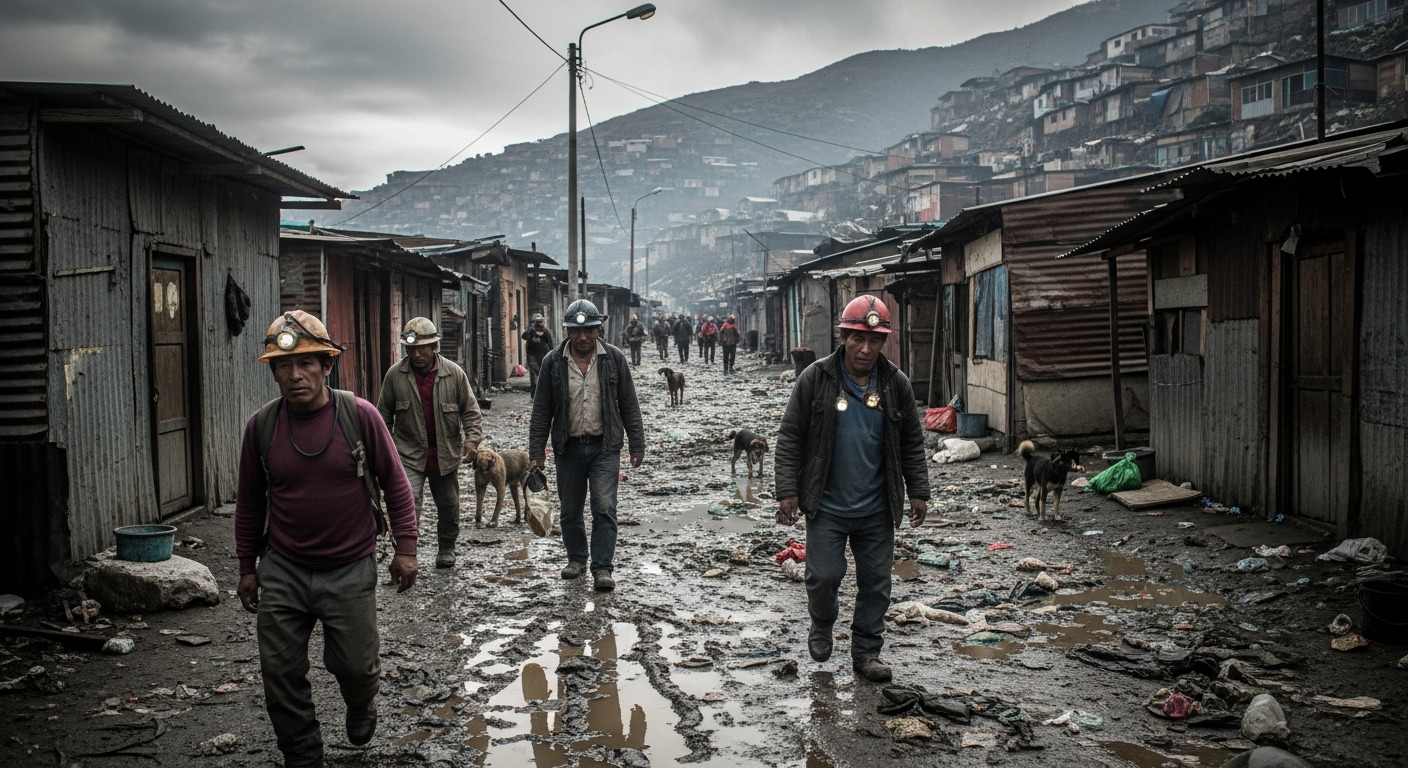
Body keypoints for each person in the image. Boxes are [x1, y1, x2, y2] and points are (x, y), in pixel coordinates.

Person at [235, 310, 420, 767]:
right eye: (284, 366)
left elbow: (395, 483)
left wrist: (407, 548)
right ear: (273, 371)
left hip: (350, 567)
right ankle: (302, 754)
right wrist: (245, 568)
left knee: (356, 666)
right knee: (279, 673)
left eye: (307, 364)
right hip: (283, 567)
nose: (295, 375)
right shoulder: (262, 427)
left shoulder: (360, 416)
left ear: (326, 365)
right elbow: (250, 501)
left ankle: (361, 702)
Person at [774, 296, 929, 684]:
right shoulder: (815, 378)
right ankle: (822, 625)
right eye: (858, 338)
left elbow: (911, 442)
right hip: (826, 503)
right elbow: (791, 436)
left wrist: (918, 492)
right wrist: (787, 491)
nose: (865, 348)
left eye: (874, 341)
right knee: (823, 576)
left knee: (876, 583)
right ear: (843, 337)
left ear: (884, 342)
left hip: (877, 506)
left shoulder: (896, 384)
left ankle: (866, 652)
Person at [529, 299, 646, 592]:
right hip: (567, 448)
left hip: (604, 447)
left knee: (604, 507)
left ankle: (603, 568)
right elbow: (541, 409)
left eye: (589, 331)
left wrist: (637, 444)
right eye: (576, 331)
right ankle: (577, 559)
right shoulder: (552, 361)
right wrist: (536, 452)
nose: (583, 337)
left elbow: (629, 403)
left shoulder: (614, 358)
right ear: (567, 330)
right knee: (570, 509)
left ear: (598, 330)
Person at [377, 317, 482, 569]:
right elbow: (382, 416)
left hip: (445, 454)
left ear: (434, 346)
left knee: (448, 504)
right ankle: (405, 552)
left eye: (421, 348)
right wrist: (385, 451)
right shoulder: (395, 375)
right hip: (408, 454)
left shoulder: (454, 374)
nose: (415, 354)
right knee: (407, 502)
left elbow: (470, 411)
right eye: (410, 349)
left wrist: (472, 441)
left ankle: (446, 548)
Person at [521, 313, 554, 397]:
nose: (541, 324)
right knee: (536, 375)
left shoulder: (545, 331)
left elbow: (550, 343)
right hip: (534, 355)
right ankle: (536, 394)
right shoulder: (532, 331)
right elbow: (524, 336)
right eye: (540, 322)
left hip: (542, 355)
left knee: (540, 374)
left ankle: (540, 393)